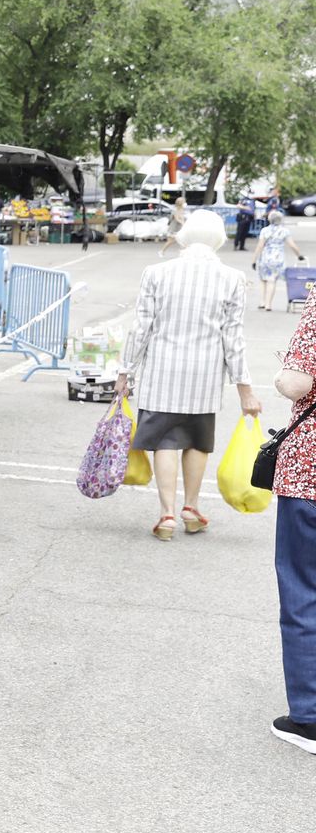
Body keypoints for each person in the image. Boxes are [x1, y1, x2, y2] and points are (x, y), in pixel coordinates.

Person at [116, 211, 261, 541]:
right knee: (197, 442)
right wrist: (245, 390)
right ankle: (191, 508)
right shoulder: (232, 278)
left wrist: (125, 371)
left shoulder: (156, 273)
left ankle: (166, 514)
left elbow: (141, 328)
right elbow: (233, 339)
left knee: (165, 441)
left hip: (161, 372)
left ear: (184, 235)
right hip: (205, 376)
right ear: (218, 240)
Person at [271, 299, 316, 754]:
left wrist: (281, 376)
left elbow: (298, 380)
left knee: (305, 590)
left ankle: (309, 717)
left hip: (311, 475)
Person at [252, 210, 304, 310]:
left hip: (265, 257)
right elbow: (292, 245)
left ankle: (262, 302)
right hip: (277, 259)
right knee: (272, 281)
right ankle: (268, 304)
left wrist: (254, 260)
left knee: (263, 280)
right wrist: (299, 255)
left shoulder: (265, 230)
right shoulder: (284, 231)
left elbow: (260, 246)